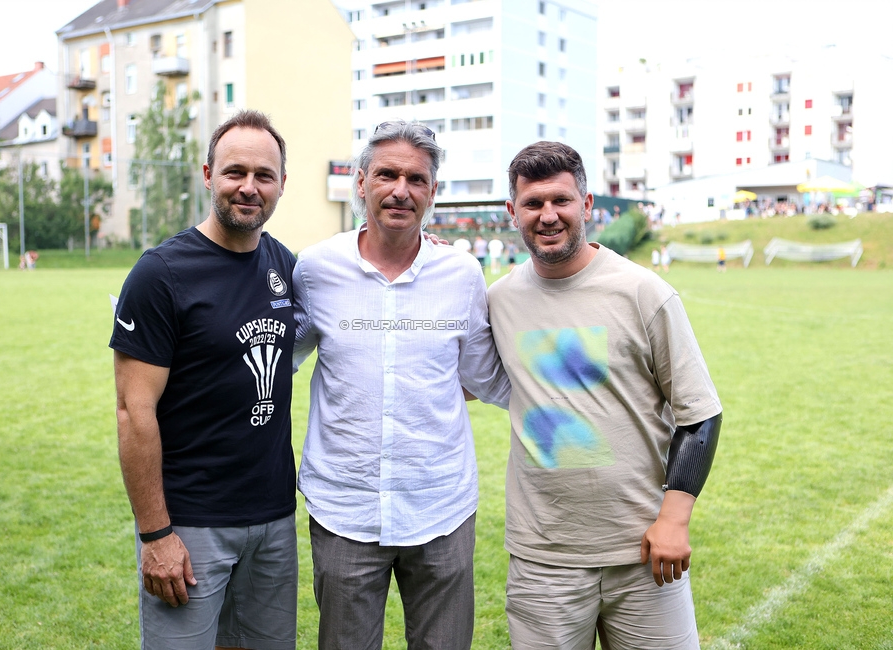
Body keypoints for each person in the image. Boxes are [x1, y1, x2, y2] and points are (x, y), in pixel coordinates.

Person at [488, 141, 722, 650]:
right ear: (513, 212)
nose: (548, 216)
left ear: (588, 205)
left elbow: (700, 414)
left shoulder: (643, 292)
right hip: (543, 558)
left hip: (643, 551)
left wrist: (674, 519)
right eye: (532, 204)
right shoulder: (499, 299)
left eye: (561, 201)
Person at [292, 121, 509, 650]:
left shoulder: (461, 274)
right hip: (345, 508)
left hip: (440, 508)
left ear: (433, 192)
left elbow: (483, 377)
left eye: (416, 179)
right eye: (387, 174)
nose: (400, 189)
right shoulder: (316, 270)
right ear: (361, 183)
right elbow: (275, 358)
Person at [110, 110, 298, 650]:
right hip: (189, 526)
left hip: (273, 519)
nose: (249, 186)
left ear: (282, 184)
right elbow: (132, 410)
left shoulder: (283, 264)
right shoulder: (160, 274)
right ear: (208, 174)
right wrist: (155, 533)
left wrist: (427, 248)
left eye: (264, 175)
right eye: (235, 171)